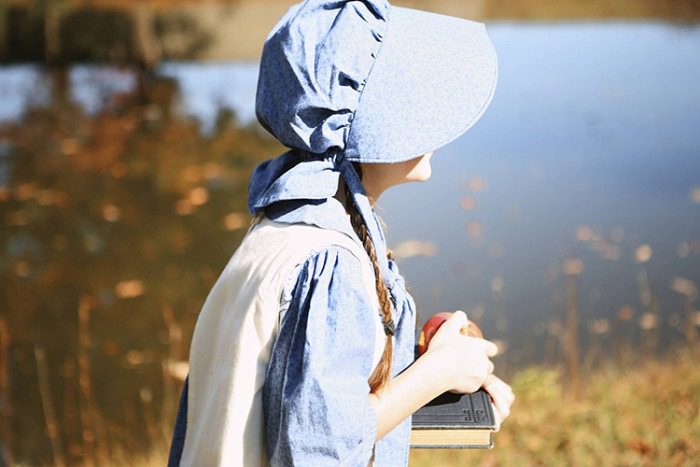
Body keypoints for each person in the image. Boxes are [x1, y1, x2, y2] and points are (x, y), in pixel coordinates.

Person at [168, 0, 514, 465]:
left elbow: (292, 408)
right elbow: (317, 449)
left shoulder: (286, 225)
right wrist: (436, 372)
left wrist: (429, 382)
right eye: (416, 106)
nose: (434, 126)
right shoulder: (330, 266)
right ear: (367, 125)